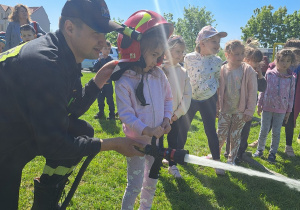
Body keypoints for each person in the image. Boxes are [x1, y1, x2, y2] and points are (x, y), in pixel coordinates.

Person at [0, 1, 144, 209]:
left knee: (80, 130)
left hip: (12, 133)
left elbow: (71, 109)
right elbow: (55, 144)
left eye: (105, 34)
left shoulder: (65, 55)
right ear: (69, 28)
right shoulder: (46, 63)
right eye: (96, 33)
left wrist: (99, 80)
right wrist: (113, 144)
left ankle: (46, 200)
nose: (103, 41)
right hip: (6, 144)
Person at [111, 10, 173, 210]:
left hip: (156, 139)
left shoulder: (159, 75)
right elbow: (126, 115)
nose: (158, 60)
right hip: (135, 143)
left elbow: (168, 99)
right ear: (135, 50)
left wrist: (166, 119)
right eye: (154, 54)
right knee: (135, 185)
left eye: (160, 55)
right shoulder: (125, 81)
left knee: (151, 182)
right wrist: (146, 130)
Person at [180, 25, 227, 175]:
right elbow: (184, 78)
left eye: (219, 42)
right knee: (184, 128)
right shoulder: (188, 58)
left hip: (209, 98)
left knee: (210, 130)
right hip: (191, 98)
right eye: (214, 41)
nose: (217, 45)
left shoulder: (217, 61)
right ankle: (176, 154)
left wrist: (218, 102)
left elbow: (218, 81)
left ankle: (217, 161)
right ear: (202, 43)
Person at [249, 39, 300, 156]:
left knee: (281, 128)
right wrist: (260, 104)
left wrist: (289, 110)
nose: (284, 63)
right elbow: (263, 89)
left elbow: (292, 94)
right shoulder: (270, 72)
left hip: (284, 106)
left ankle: (278, 150)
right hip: (268, 105)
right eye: (282, 60)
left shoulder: (292, 76)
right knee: (265, 128)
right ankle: (260, 149)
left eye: (288, 61)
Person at [224, 39, 267, 163]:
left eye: (259, 62)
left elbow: (263, 87)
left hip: (247, 109)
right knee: (232, 131)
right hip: (233, 107)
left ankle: (240, 153)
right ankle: (229, 152)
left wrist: (259, 74)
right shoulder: (237, 69)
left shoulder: (255, 73)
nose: (257, 64)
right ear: (246, 59)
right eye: (254, 61)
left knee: (244, 132)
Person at [218, 40, 257, 165]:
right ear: (227, 55)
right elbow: (218, 90)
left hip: (240, 111)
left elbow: (252, 92)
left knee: (235, 136)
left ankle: (231, 159)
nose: (240, 57)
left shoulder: (248, 70)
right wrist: (217, 107)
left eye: (241, 54)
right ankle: (215, 157)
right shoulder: (222, 70)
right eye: (236, 54)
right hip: (224, 110)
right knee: (220, 135)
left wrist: (249, 110)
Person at [162, 35, 192, 178]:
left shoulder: (184, 72)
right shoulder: (159, 70)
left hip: (175, 116)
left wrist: (176, 114)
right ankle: (154, 162)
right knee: (157, 140)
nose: (181, 55)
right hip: (158, 115)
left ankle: (172, 165)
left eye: (182, 52)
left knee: (173, 140)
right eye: (178, 51)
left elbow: (187, 96)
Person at [93, 40, 116, 120]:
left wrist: (102, 60)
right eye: (105, 48)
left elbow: (105, 67)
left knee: (110, 100)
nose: (107, 50)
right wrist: (99, 60)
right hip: (100, 84)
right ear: (101, 50)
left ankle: (112, 114)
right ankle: (101, 112)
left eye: (108, 49)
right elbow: (95, 67)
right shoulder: (99, 59)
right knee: (100, 99)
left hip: (108, 84)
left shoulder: (110, 60)